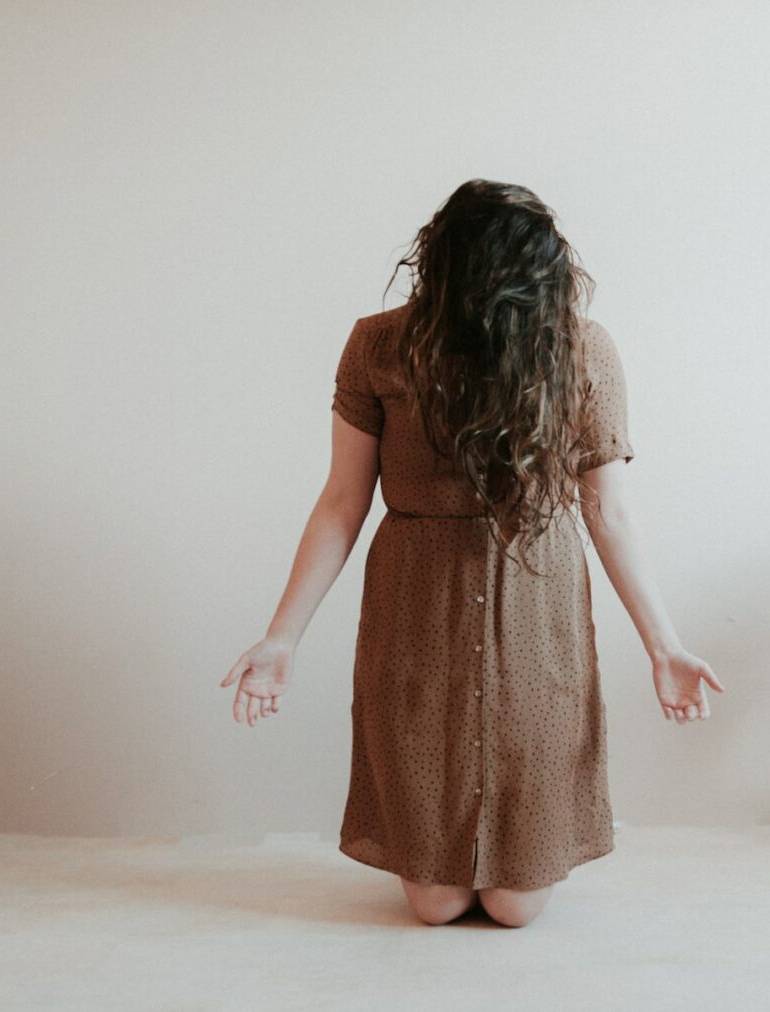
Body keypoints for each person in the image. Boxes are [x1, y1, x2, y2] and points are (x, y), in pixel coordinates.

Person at [220, 179, 724, 929]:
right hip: (418, 603)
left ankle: (510, 866)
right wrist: (282, 635)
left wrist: (665, 646)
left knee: (515, 906)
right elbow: (342, 500)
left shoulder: (584, 349)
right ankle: (448, 865)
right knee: (437, 903)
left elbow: (607, 509)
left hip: (538, 603)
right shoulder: (379, 345)